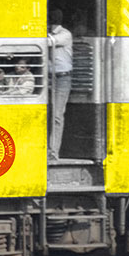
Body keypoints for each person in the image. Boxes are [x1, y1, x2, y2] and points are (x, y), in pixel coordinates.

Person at [48, 10, 75, 160]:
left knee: (57, 115)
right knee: (49, 114)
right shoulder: (48, 33)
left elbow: (49, 42)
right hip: (49, 78)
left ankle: (53, 152)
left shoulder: (65, 34)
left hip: (62, 78)